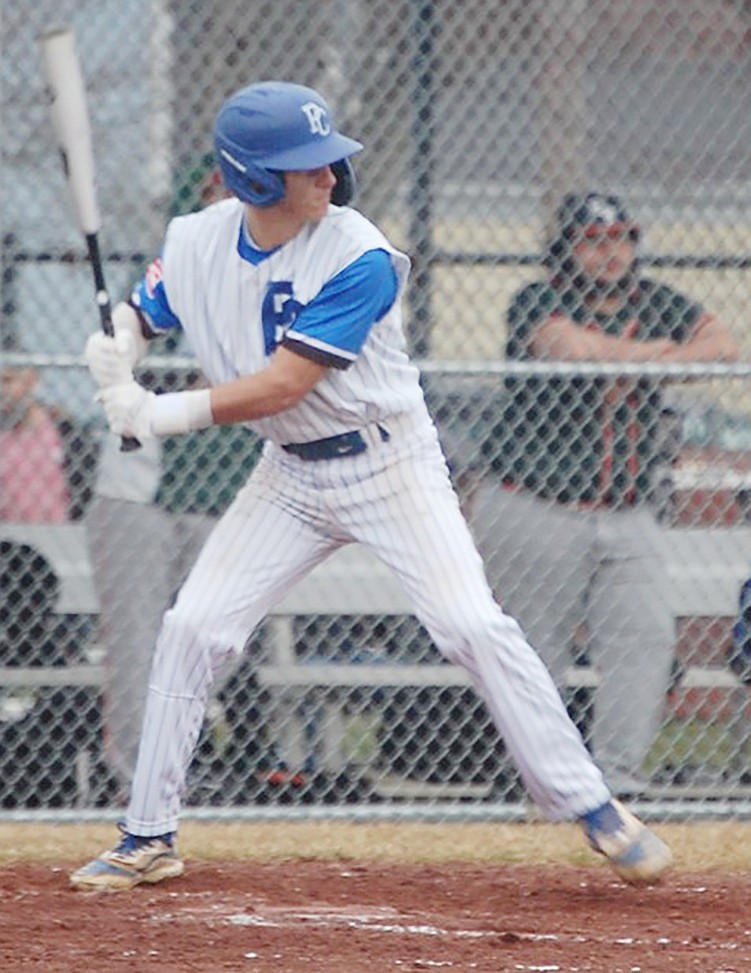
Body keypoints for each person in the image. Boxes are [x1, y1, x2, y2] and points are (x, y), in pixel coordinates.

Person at [70, 83, 672, 891]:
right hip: (287, 474)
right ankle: (148, 833)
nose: (328, 175)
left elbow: (285, 383)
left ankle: (592, 804)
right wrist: (116, 347)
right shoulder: (194, 240)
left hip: (389, 465)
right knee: (193, 625)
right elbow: (148, 311)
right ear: (252, 180)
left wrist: (155, 409)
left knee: (469, 622)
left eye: (327, 160)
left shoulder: (358, 253)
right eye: (304, 166)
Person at [468, 191, 739, 797]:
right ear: (566, 249)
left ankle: (616, 783)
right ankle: (536, 784)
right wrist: (670, 357)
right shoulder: (537, 298)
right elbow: (571, 350)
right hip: (536, 506)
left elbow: (723, 347)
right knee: (536, 654)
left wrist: (645, 356)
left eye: (620, 238)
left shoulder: (656, 300)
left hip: (627, 511)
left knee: (646, 638)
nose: (611, 252)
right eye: (593, 240)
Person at [0, 357, 70, 524]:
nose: (2, 390)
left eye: (7, 381)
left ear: (30, 380)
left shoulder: (62, 430)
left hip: (57, 535)